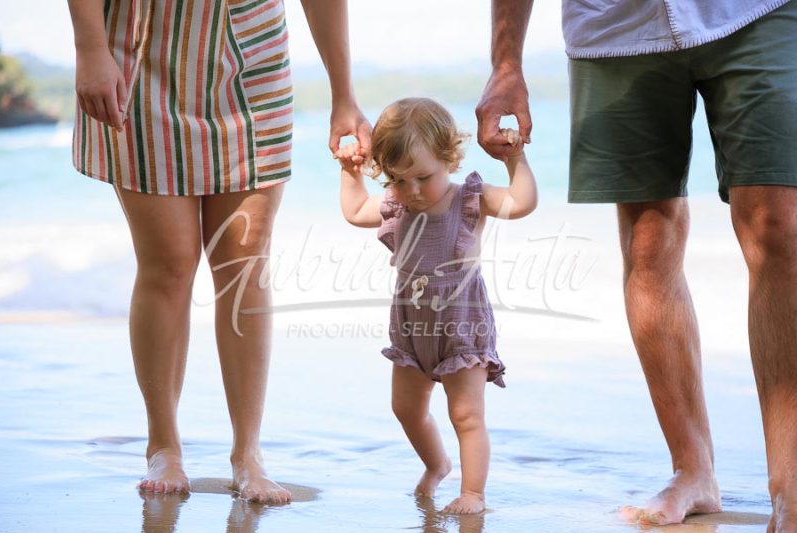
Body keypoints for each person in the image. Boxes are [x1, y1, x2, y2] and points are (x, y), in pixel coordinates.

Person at [476, 0, 797, 529]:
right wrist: (506, 63)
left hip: (755, 12)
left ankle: (791, 486)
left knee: (778, 225)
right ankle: (692, 469)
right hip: (615, 29)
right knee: (649, 239)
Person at [68, 0, 370, 504]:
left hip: (253, 58)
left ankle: (248, 453)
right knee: (168, 264)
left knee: (243, 263)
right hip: (140, 53)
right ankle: (163, 446)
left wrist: (344, 93)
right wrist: (90, 47)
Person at [337, 97, 537, 514]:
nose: (411, 190)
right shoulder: (396, 205)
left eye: (423, 178)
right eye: (398, 179)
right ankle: (436, 464)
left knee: (466, 414)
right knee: (405, 408)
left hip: (462, 328)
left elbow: (521, 203)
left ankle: (473, 493)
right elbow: (355, 210)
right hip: (412, 331)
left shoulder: (470, 200)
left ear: (449, 158)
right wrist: (350, 171)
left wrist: (515, 159)